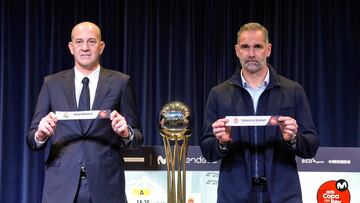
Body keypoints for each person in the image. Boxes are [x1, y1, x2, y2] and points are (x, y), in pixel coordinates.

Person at [200, 22, 319, 203]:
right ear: (237, 50)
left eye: (258, 46)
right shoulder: (218, 94)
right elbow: (207, 151)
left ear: (268, 49)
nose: (251, 54)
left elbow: (311, 147)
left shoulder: (293, 90)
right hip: (234, 197)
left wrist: (293, 139)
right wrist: (221, 143)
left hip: (283, 196)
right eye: (245, 47)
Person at [27, 21, 143, 203]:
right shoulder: (52, 83)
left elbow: (137, 138)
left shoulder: (121, 82)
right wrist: (40, 135)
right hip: (61, 186)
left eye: (91, 41)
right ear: (71, 47)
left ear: (101, 46)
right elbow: (32, 140)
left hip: (107, 186)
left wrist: (126, 133)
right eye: (79, 42)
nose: (85, 47)